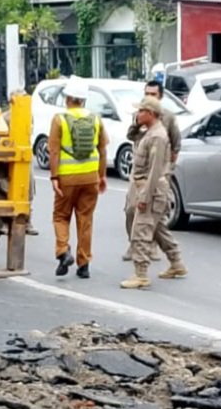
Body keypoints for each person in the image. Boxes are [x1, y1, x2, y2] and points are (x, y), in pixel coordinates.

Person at [122, 97, 186, 289]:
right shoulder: (149, 132)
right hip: (150, 188)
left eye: (141, 111)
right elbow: (131, 136)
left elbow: (155, 170)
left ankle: (140, 274)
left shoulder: (157, 136)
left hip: (152, 190)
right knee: (157, 228)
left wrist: (144, 196)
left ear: (150, 114)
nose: (137, 114)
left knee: (140, 230)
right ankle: (176, 262)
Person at [49, 76, 108, 279]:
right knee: (85, 220)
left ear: (67, 98)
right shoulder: (95, 119)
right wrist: (102, 176)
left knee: (60, 216)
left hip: (67, 179)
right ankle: (84, 264)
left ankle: (63, 252)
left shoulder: (60, 120)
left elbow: (54, 152)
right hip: (90, 178)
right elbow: (102, 149)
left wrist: (54, 177)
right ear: (83, 100)